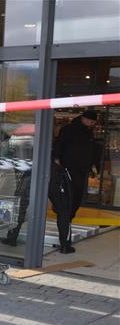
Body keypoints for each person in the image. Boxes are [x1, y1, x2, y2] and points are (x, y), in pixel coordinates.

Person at [50, 109, 100, 254]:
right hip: (67, 171)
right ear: (83, 118)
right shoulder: (69, 129)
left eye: (93, 122)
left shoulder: (88, 132)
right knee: (67, 204)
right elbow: (59, 146)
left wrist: (93, 167)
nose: (91, 123)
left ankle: (65, 216)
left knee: (75, 201)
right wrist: (58, 162)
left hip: (81, 172)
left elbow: (91, 151)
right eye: (89, 120)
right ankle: (65, 244)